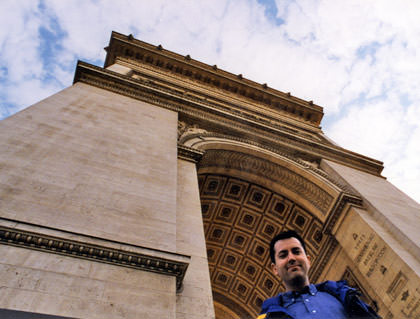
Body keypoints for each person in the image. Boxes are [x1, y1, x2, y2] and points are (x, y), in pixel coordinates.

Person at [257, 230, 380, 319]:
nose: (291, 258)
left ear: (308, 260)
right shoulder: (268, 316)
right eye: (283, 255)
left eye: (296, 251)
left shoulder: (341, 294)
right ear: (275, 269)